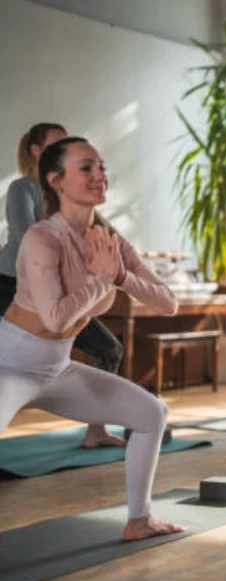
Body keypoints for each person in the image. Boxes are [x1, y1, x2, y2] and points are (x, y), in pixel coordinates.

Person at [0, 136, 184, 540]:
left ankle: (140, 519)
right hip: (9, 364)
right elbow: (54, 316)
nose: (99, 175)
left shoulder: (110, 241)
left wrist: (120, 276)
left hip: (56, 367)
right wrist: (103, 279)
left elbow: (168, 303)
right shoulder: (41, 239)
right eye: (86, 167)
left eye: (101, 167)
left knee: (151, 414)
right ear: (56, 181)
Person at [0, 123, 125, 449]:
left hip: (56, 292)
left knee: (109, 350)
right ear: (37, 152)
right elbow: (32, 240)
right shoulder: (21, 190)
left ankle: (96, 429)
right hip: (10, 288)